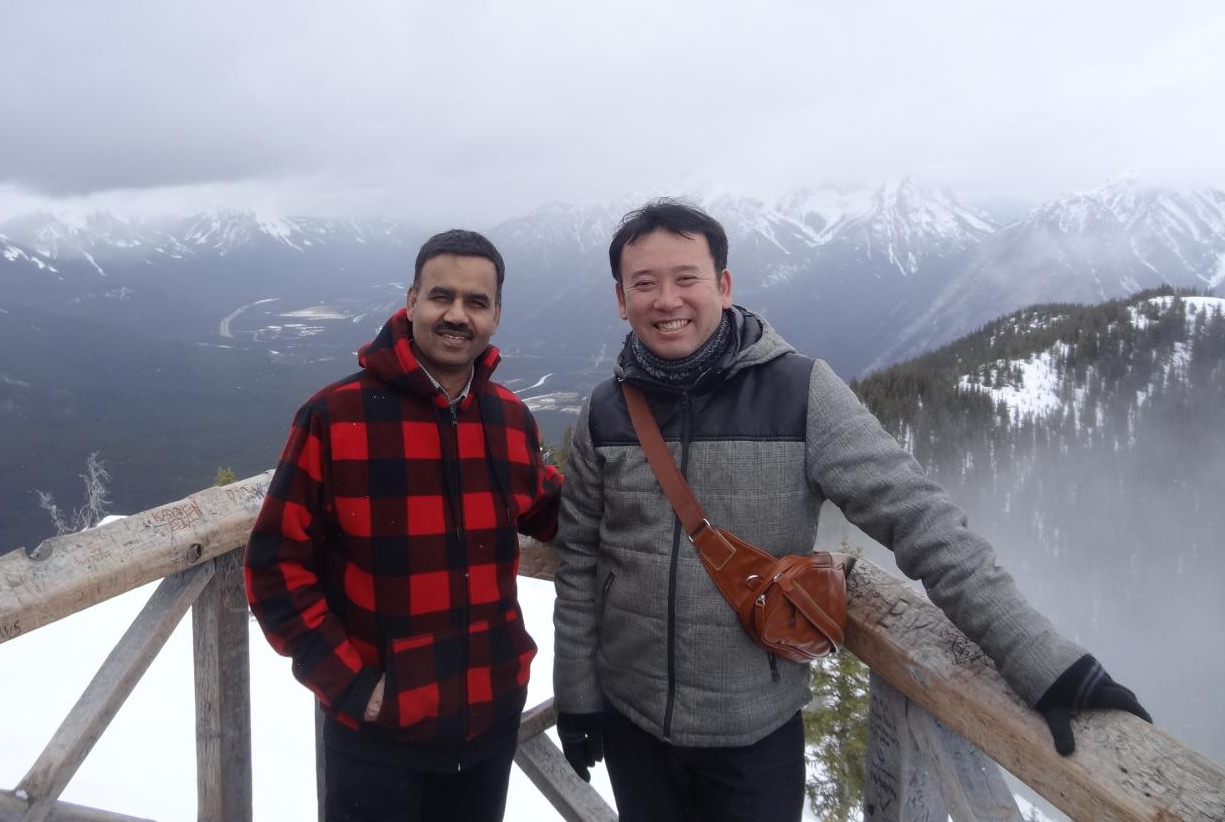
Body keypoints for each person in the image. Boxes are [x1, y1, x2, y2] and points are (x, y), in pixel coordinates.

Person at [552, 199, 1149, 821]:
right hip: (632, 723)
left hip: (754, 733)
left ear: (723, 286)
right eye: (644, 284)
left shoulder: (798, 391)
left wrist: (1041, 660)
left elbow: (921, 521)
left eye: (686, 279)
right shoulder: (605, 412)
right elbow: (582, 563)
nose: (666, 300)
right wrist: (578, 697)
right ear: (621, 300)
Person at [244, 229, 563, 822]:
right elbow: (273, 567)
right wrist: (351, 687)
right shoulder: (336, 417)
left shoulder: (510, 419)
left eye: (476, 302)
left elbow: (550, 509)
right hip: (376, 736)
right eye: (441, 296)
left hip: (488, 719)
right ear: (411, 300)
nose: (456, 315)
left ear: (496, 315)